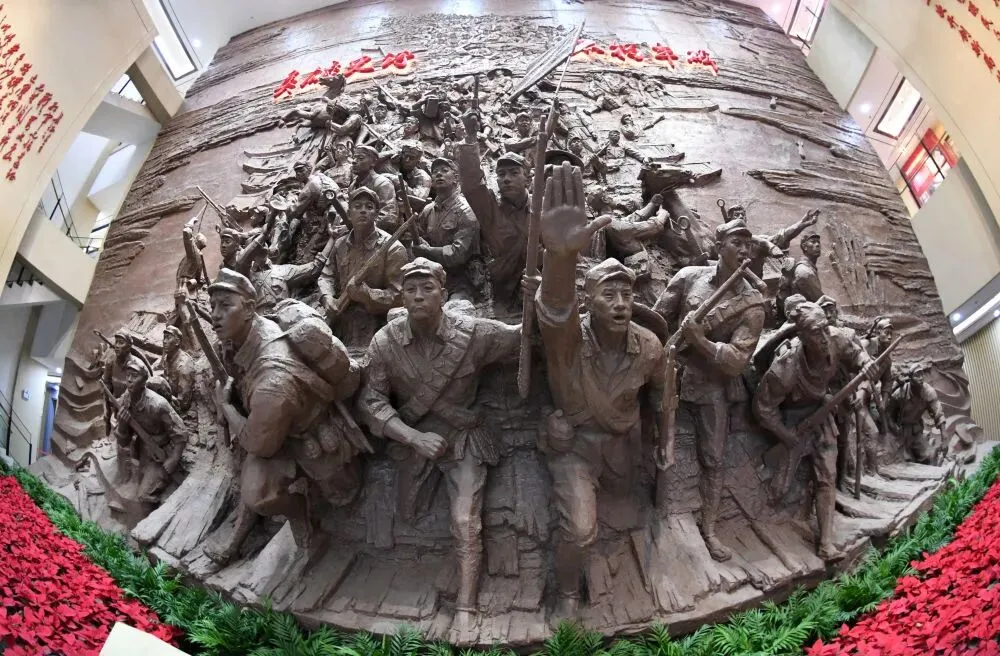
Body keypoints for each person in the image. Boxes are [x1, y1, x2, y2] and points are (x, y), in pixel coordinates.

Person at [531, 163, 666, 622]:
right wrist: (560, 259)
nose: (621, 303)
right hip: (575, 449)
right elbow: (554, 309)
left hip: (621, 449)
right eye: (609, 295)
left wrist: (663, 442)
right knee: (582, 530)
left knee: (626, 508)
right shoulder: (570, 341)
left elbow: (662, 395)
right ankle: (568, 593)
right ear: (589, 302)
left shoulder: (649, 346)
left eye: (627, 295)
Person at [357, 257, 522, 627]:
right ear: (401, 297)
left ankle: (466, 606)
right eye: (410, 290)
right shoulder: (385, 343)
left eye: (427, 288)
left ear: (443, 294)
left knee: (464, 520)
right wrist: (413, 438)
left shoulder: (474, 333)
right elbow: (371, 402)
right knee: (409, 513)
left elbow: (521, 337)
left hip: (463, 438)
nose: (418, 296)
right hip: (415, 438)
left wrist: (545, 292)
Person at [205, 269, 362, 560]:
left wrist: (225, 407)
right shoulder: (252, 330)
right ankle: (243, 534)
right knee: (249, 470)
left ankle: (303, 516)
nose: (215, 315)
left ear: (249, 309)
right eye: (212, 306)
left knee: (261, 494)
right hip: (273, 422)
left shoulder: (272, 380)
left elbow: (259, 444)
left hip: (307, 439)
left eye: (225, 306)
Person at [653, 219, 766, 562]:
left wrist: (701, 341)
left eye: (748, 244)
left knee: (713, 459)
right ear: (719, 246)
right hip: (669, 373)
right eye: (736, 243)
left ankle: (710, 530)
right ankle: (651, 518)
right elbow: (657, 321)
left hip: (711, 384)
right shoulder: (689, 277)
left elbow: (736, 361)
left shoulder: (752, 304)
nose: (744, 250)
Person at [753, 299, 878, 560]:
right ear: (801, 335)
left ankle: (826, 543)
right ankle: (769, 526)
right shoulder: (785, 367)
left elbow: (857, 353)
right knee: (778, 489)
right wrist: (785, 435)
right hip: (793, 420)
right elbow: (763, 407)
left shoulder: (835, 337)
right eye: (815, 332)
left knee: (827, 476)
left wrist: (865, 363)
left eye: (824, 328)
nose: (823, 337)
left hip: (821, 414)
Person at [457, 111, 534, 306]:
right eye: (501, 174)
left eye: (514, 173)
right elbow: (472, 184)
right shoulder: (491, 208)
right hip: (501, 292)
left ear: (528, 179)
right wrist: (470, 138)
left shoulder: (540, 207)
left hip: (536, 289)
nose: (506, 179)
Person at [318, 187, 408, 347]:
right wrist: (327, 297)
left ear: (376, 213)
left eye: (369, 207)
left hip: (374, 321)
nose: (363, 211)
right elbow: (327, 275)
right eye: (357, 206)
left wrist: (368, 294)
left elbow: (400, 296)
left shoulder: (393, 248)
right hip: (338, 313)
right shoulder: (340, 244)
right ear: (349, 213)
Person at [110, 355, 187, 511]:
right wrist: (123, 426)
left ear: (144, 380)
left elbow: (181, 433)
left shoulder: (158, 405)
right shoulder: (125, 400)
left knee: (143, 495)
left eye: (134, 376)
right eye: (128, 375)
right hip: (143, 449)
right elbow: (123, 442)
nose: (129, 380)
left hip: (162, 451)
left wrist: (173, 459)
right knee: (139, 479)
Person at [412, 157, 483, 304]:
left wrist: (427, 250)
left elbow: (458, 254)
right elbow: (420, 237)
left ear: (455, 178)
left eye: (445, 171)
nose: (439, 174)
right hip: (432, 276)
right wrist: (417, 243)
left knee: (455, 309)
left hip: (461, 280)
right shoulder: (428, 210)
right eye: (435, 172)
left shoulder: (466, 211)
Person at [887, 361, 947, 465]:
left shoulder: (928, 392)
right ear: (910, 379)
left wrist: (944, 436)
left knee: (929, 456)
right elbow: (888, 415)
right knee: (905, 461)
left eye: (922, 374)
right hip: (900, 433)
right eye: (917, 375)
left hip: (916, 432)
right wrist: (894, 430)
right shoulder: (900, 394)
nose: (921, 378)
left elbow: (938, 413)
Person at [776, 230, 823, 321]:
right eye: (813, 242)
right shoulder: (805, 271)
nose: (817, 245)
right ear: (804, 247)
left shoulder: (809, 268)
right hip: (805, 319)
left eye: (818, 242)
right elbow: (820, 300)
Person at [349, 145, 398, 231]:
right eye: (354, 158)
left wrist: (360, 228)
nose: (354, 161)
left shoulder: (383, 184)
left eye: (360, 158)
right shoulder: (353, 186)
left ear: (373, 163)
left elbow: (389, 217)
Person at [158, 326, 197, 414]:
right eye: (164, 338)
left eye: (168, 338)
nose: (164, 341)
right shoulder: (168, 358)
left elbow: (183, 403)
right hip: (170, 397)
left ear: (177, 342)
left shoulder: (184, 365)